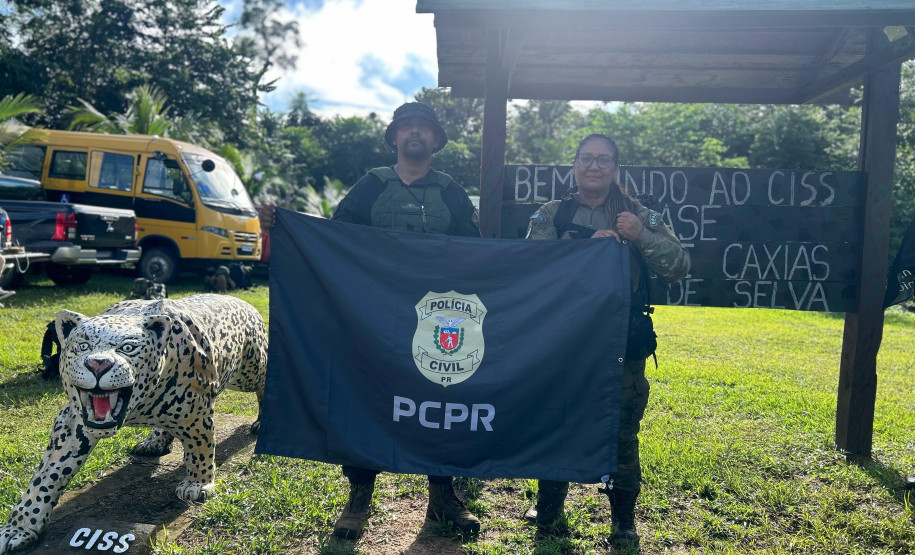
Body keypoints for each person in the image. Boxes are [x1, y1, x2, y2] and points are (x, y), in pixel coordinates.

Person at [258, 102, 481, 539]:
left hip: (433, 318)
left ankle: (443, 497)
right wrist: (282, 225)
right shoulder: (371, 185)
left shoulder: (452, 191)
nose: (415, 133)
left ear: (435, 140)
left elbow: (473, 252)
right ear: (395, 138)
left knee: (437, 402)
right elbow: (333, 241)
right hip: (372, 314)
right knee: (364, 398)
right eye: (407, 127)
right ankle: (359, 498)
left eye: (423, 128)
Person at [524, 133, 690, 550]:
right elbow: (527, 267)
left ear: (616, 168)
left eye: (603, 160)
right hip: (564, 338)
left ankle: (623, 523)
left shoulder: (637, 214)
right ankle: (548, 511)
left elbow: (679, 266)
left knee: (620, 431)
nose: (594, 166)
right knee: (555, 421)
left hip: (620, 343)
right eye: (586, 158)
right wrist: (579, 246)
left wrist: (640, 236)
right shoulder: (553, 214)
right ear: (575, 164)